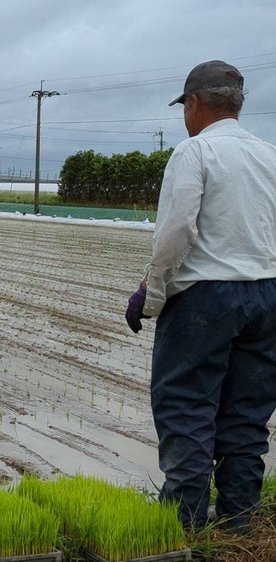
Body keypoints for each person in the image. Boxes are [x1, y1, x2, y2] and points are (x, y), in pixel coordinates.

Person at [125, 60, 276, 531]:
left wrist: (151, 294)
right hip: (267, 296)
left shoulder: (195, 152)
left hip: (204, 300)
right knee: (246, 415)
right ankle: (238, 523)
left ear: (193, 103)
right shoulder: (270, 155)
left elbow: (175, 235)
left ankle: (181, 527)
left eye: (184, 108)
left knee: (187, 408)